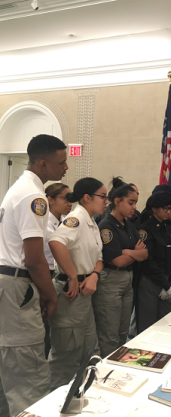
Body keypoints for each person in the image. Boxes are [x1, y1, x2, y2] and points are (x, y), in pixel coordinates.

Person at [0, 134, 68, 417]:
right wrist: (50, 296)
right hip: (19, 285)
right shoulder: (34, 196)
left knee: (12, 371)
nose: (65, 168)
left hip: (11, 283)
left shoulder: (19, 187)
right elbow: (34, 259)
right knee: (29, 374)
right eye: (61, 163)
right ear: (43, 164)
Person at [48, 177, 107, 391]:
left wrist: (94, 275)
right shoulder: (76, 218)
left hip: (85, 292)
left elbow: (99, 258)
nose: (106, 201)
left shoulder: (92, 222)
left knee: (90, 351)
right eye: (103, 196)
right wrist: (73, 276)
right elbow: (56, 241)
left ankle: (81, 397)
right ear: (87, 197)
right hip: (70, 293)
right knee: (66, 357)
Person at [92, 177, 147, 358]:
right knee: (109, 334)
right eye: (131, 203)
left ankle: (118, 364)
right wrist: (134, 253)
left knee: (123, 332)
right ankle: (104, 370)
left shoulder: (129, 225)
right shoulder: (106, 226)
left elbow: (144, 254)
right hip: (111, 281)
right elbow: (117, 261)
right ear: (117, 201)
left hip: (127, 281)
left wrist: (128, 252)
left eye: (136, 203)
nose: (134, 207)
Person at [137, 191, 171, 333]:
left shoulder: (168, 227)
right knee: (147, 324)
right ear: (154, 209)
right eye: (165, 208)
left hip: (167, 281)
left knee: (168, 322)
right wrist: (165, 283)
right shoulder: (146, 229)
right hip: (151, 282)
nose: (168, 212)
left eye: (170, 208)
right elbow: (148, 262)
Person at [44, 183, 72, 358]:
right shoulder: (44, 224)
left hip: (57, 277)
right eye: (65, 198)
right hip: (44, 275)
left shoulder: (63, 223)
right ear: (50, 200)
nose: (70, 203)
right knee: (45, 328)